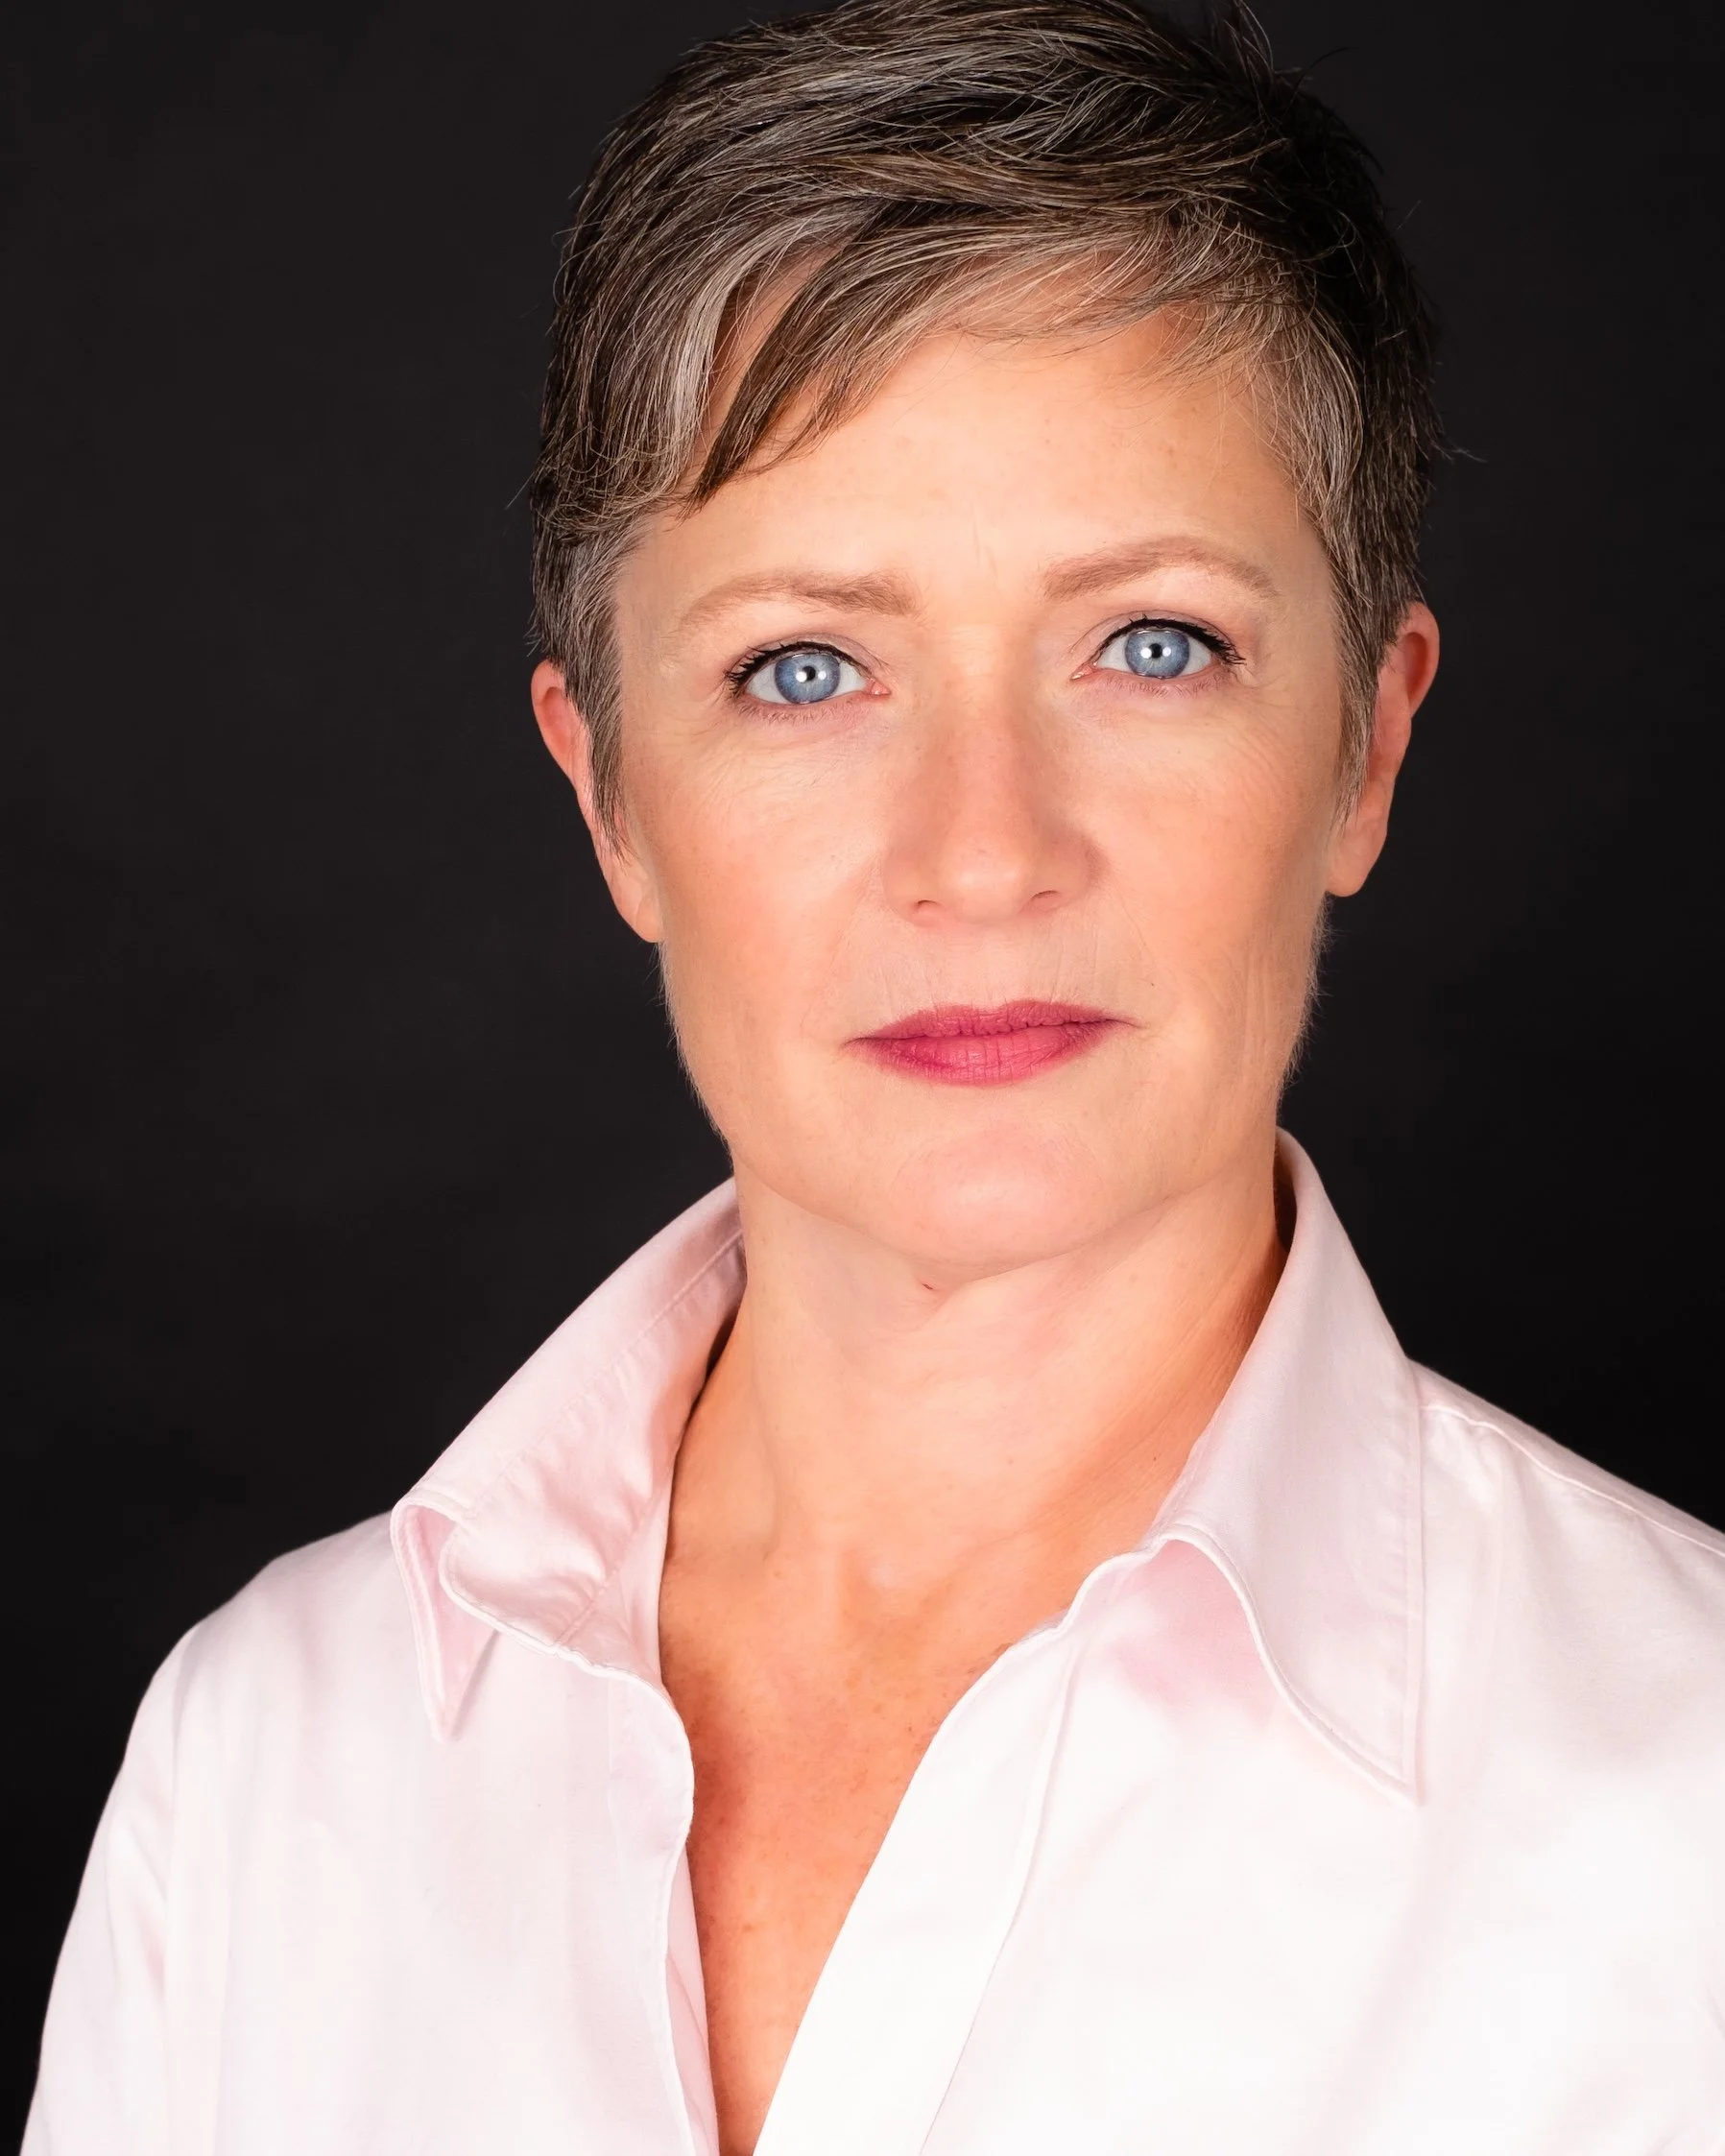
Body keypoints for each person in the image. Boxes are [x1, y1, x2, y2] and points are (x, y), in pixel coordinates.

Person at [25, 2, 1725, 2149]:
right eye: (803, 668)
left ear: (1365, 748)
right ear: (612, 797)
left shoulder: (1696, 1823)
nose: (984, 851)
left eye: (1153, 642)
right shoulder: (269, 1756)